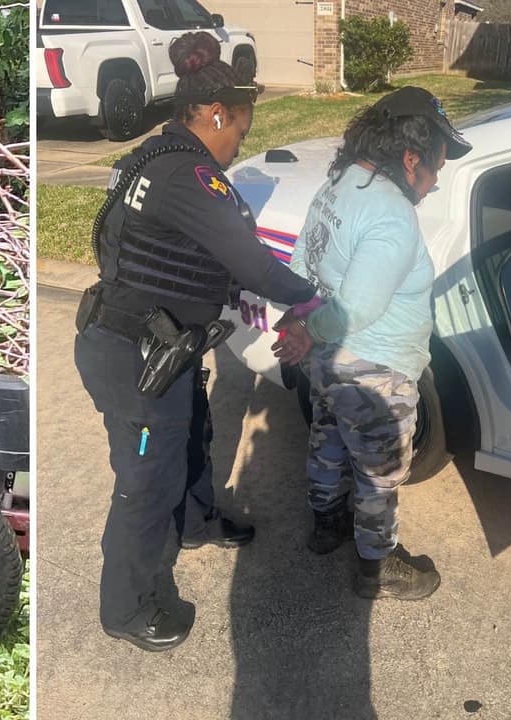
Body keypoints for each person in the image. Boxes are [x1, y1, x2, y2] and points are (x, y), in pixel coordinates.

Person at [74, 31, 318, 652]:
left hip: (157, 344)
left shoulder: (150, 156)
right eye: (239, 128)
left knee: (192, 436)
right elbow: (257, 268)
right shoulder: (192, 177)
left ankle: (199, 521)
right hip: (135, 355)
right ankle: (127, 609)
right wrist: (316, 299)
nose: (241, 142)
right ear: (214, 114)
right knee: (146, 483)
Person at [272, 86, 472, 600]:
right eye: (435, 168)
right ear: (410, 159)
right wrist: (305, 329)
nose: (433, 181)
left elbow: (304, 258)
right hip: (373, 365)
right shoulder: (393, 215)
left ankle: (327, 526)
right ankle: (376, 567)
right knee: (378, 472)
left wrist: (299, 323)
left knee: (329, 439)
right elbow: (358, 308)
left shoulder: (342, 181)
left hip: (327, 359)